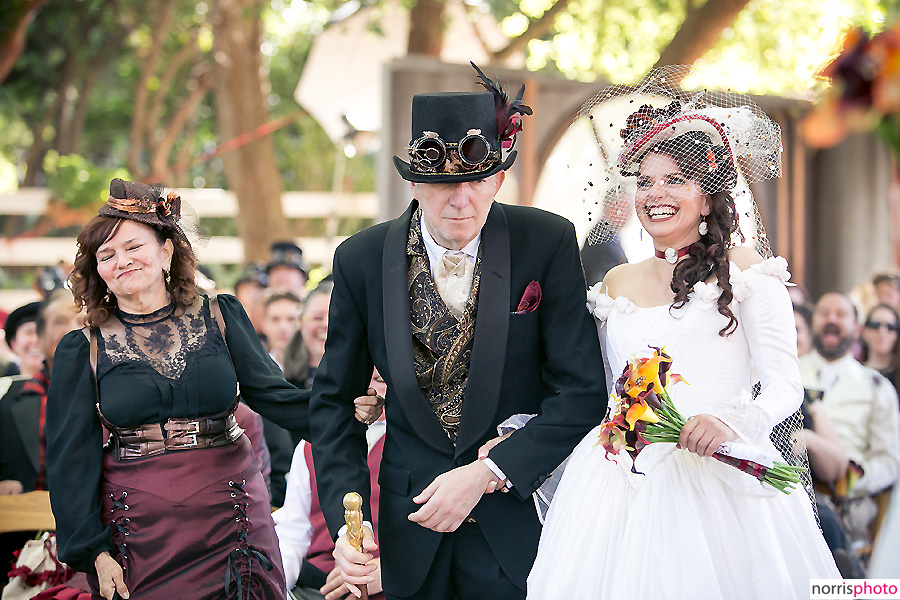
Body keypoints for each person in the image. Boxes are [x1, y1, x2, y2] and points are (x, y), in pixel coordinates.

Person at [527, 67, 839, 599]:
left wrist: (731, 422)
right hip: (617, 483)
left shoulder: (749, 274)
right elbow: (589, 380)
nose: (656, 194)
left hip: (720, 480)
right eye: (644, 181)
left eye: (675, 179)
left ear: (709, 193)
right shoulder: (615, 282)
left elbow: (785, 384)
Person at [310, 67, 607, 600]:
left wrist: (488, 472)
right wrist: (348, 524)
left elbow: (582, 392)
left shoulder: (547, 242)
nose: (461, 201)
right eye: (444, 185)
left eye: (476, 182)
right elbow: (333, 404)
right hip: (408, 534)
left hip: (516, 529)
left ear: (497, 178)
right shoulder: (359, 259)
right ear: (415, 181)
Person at [45, 179, 380, 600]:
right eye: (106, 255)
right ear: (98, 271)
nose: (122, 261)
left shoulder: (220, 316)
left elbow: (277, 397)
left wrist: (348, 409)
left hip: (234, 514)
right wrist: (92, 551)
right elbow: (69, 460)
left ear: (166, 251)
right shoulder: (83, 348)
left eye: (133, 247)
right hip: (140, 529)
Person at [275, 369, 387, 600]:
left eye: (379, 380)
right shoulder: (310, 447)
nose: (368, 391)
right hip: (320, 586)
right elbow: (293, 532)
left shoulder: (418, 449)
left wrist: (391, 573)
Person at [800, 292, 900, 545]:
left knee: (824, 521)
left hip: (852, 497)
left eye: (841, 314)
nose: (831, 319)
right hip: (793, 480)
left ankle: (846, 582)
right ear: (814, 323)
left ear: (856, 329)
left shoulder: (877, 386)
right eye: (824, 313)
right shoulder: (790, 372)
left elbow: (889, 460)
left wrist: (850, 482)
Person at [284, 280, 333, 390]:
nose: (326, 324)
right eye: (317, 318)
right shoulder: (281, 380)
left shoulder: (368, 382)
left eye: (334, 317)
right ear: (301, 322)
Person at [859, 303, 900, 397]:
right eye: (875, 325)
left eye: (890, 327)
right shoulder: (853, 373)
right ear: (864, 332)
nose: (882, 332)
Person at [2, 301, 43, 378]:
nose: (35, 340)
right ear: (13, 343)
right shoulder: (3, 388)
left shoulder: (67, 387)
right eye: (28, 332)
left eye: (42, 332)